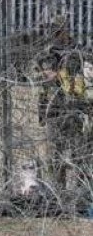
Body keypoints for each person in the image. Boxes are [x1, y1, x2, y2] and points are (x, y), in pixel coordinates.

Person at [38, 18, 93, 191]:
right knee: (56, 155)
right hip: (54, 110)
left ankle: (81, 193)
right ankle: (59, 193)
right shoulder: (47, 53)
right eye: (50, 30)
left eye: (56, 30)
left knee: (80, 154)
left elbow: (88, 76)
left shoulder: (80, 51)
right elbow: (41, 78)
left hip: (77, 109)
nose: (52, 34)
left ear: (65, 30)